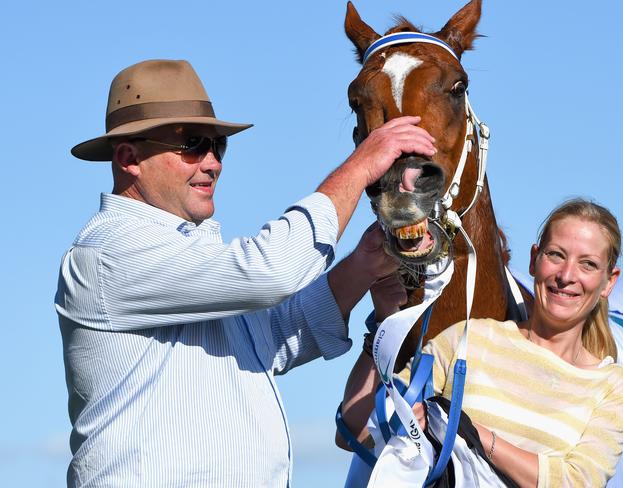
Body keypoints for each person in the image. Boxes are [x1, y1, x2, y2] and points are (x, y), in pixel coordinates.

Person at [55, 59, 437, 487]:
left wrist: (363, 264)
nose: (213, 162)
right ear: (129, 158)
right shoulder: (109, 251)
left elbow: (277, 334)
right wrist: (362, 165)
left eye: (218, 146)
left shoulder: (182, 256)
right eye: (193, 144)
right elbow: (271, 271)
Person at [337, 198, 623, 488]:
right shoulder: (468, 338)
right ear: (535, 259)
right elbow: (356, 430)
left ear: (609, 281)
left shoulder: (616, 386)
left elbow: (576, 481)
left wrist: (467, 432)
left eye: (587, 264)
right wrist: (383, 323)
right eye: (556, 255)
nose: (566, 275)